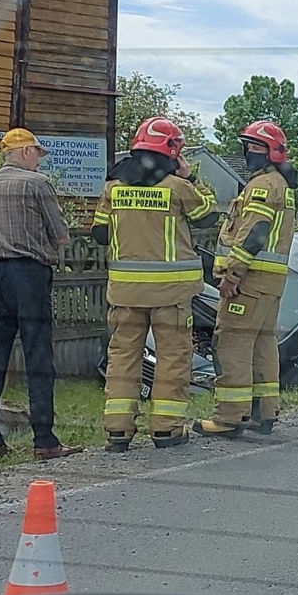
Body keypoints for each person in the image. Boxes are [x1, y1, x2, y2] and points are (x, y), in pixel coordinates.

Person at [91, 117, 219, 452]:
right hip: (171, 294)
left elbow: (100, 234)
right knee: (173, 358)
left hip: (125, 293)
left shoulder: (113, 187)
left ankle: (118, 431)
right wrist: (191, 176)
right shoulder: (177, 187)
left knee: (122, 358)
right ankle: (167, 429)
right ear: (173, 151)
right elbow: (208, 214)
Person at [0, 128, 83, 461]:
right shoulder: (36, 184)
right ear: (25, 152)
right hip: (28, 273)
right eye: (37, 153)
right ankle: (45, 440)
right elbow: (61, 235)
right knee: (38, 357)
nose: (39, 160)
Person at [193, 120, 298, 437]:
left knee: (232, 343)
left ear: (269, 153)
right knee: (263, 344)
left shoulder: (264, 185)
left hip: (249, 282)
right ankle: (264, 412)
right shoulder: (281, 185)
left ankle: (229, 418)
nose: (248, 152)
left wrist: (232, 275)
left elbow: (253, 234)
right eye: (248, 146)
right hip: (269, 284)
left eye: (254, 147)